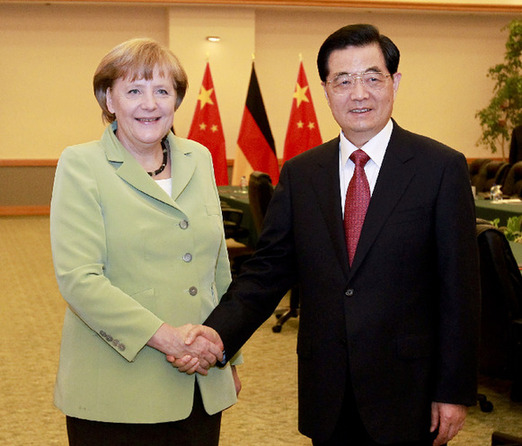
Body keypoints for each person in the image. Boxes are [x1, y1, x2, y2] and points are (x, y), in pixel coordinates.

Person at [175, 24, 480, 446]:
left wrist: (453, 389)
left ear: (395, 82)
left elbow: (460, 290)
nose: (359, 94)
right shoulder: (302, 175)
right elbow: (266, 273)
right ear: (325, 89)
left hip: (409, 389)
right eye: (343, 80)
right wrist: (217, 334)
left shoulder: (441, 168)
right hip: (327, 388)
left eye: (373, 78)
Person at [50, 38, 241, 446]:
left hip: (200, 382)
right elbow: (79, 279)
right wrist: (167, 337)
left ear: (176, 101)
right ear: (109, 99)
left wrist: (228, 351)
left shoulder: (199, 157)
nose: (149, 104)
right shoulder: (81, 164)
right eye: (134, 90)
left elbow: (218, 268)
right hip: (117, 388)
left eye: (162, 91)